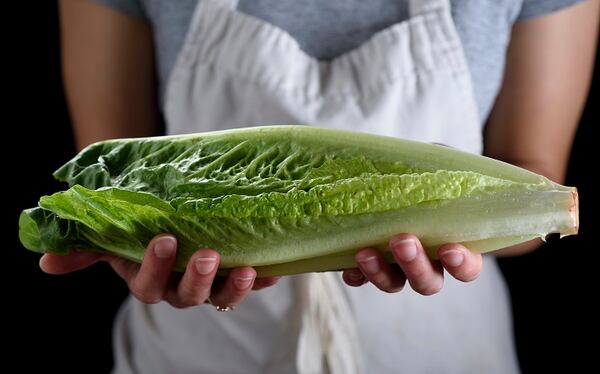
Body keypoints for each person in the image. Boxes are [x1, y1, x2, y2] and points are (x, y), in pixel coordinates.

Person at [41, 0, 598, 373]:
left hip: (442, 350)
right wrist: (128, 251)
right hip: (201, 349)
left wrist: (458, 235)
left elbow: (534, 169)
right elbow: (111, 177)